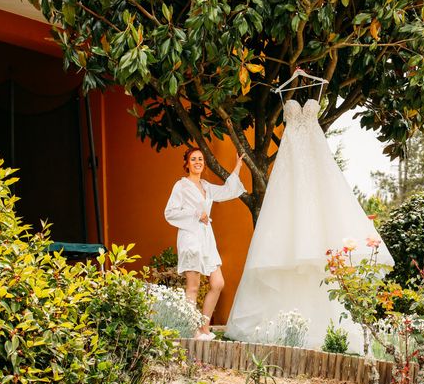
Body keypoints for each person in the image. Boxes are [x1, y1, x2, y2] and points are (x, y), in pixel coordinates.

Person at [225, 97, 394, 351]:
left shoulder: (319, 85)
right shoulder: (281, 93)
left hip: (316, 163)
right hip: (289, 163)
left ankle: (321, 326)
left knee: (318, 222)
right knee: (288, 224)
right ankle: (283, 325)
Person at [164, 148, 245, 341]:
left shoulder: (206, 186)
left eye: (200, 159)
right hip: (191, 238)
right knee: (193, 287)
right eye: (193, 159)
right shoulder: (181, 186)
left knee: (217, 283)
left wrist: (238, 167)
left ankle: (204, 328)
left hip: (207, 239)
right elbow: (170, 212)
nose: (197, 162)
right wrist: (195, 214)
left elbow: (227, 191)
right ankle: (192, 332)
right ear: (187, 163)